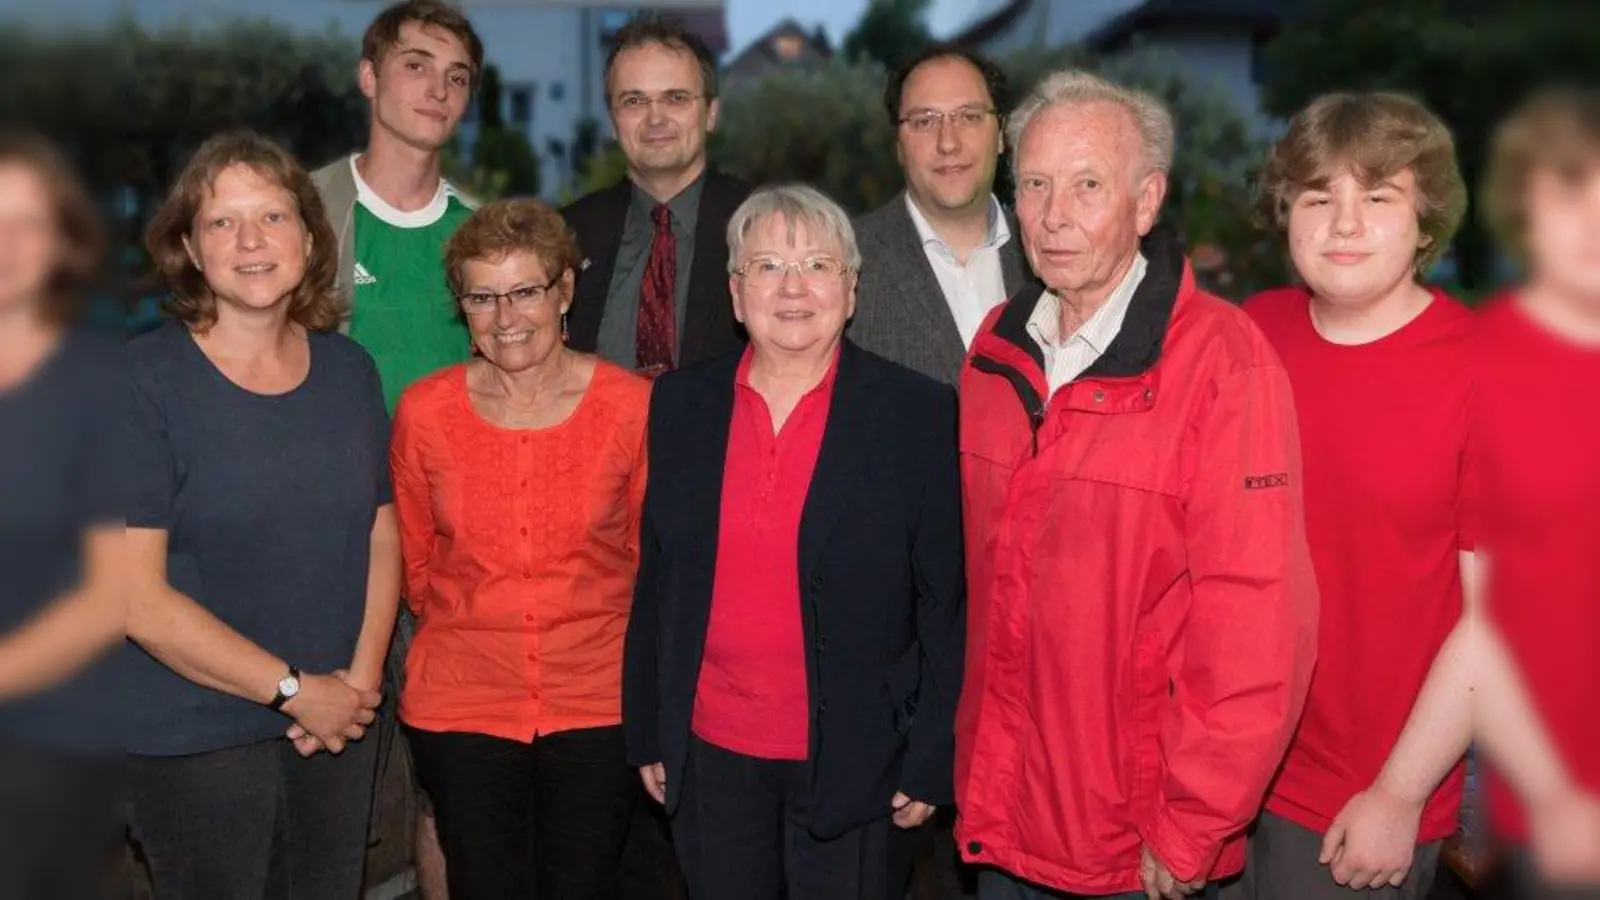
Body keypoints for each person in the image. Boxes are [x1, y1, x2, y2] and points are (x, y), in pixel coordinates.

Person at [954, 70, 1320, 899]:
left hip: (1138, 847)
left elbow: (1258, 621)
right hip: (1003, 818)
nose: (1053, 215)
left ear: (1146, 201)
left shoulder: (1225, 363)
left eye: (1088, 185)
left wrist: (1194, 825)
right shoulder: (992, 352)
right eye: (1035, 185)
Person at [623, 184, 966, 900]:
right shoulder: (681, 405)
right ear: (737, 293)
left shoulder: (918, 413)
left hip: (860, 759)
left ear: (851, 289)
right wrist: (649, 725)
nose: (793, 288)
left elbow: (946, 601)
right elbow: (658, 577)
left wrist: (934, 754)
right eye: (768, 266)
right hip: (712, 750)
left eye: (816, 264)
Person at [123, 129, 398, 899]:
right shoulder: (138, 381)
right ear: (189, 247)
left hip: (338, 726)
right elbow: (134, 598)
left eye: (273, 217)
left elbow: (382, 530)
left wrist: (358, 685)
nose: (250, 241)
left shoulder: (349, 370)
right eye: (222, 222)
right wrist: (292, 690)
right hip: (195, 735)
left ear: (310, 238)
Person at [1220, 92, 1473, 900]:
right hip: (1223, 768)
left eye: (1378, 196)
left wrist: (1400, 795)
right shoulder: (1255, 332)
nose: (1344, 223)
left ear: (1425, 220)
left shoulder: (1491, 375)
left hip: (1357, 802)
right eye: (1319, 197)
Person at [390, 198, 651, 900]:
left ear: (564, 290)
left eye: (525, 292)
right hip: (463, 703)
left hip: (597, 702)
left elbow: (647, 558)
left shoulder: (630, 408)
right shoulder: (424, 412)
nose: (506, 319)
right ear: (462, 307)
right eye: (483, 297)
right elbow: (414, 564)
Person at [310, 3, 483, 893]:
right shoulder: (301, 217)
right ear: (370, 77)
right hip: (323, 556)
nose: (437, 89)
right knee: (319, 790)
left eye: (457, 76)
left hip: (449, 564)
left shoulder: (486, 239)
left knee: (443, 795)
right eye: (417, 65)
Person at [1471, 87, 1600, 896]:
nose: (1592, 222)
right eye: (1567, 194)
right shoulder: (1478, 367)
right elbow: (1469, 616)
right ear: (1525, 204)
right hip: (1559, 814)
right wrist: (1555, 799)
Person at [0, 130, 125, 900]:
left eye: (26, 222)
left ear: (64, 244)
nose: (3, 244)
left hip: (54, 739)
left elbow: (110, 596)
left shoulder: (99, 384)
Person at [561, 14, 754, 375]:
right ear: (613, 121)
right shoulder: (567, 234)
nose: (655, 119)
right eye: (634, 101)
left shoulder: (762, 225)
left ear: (711, 113)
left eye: (676, 98)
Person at [850, 44, 1028, 385]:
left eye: (969, 117)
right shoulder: (847, 263)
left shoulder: (1052, 254)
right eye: (924, 121)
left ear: (1002, 133)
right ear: (899, 145)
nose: (948, 143)